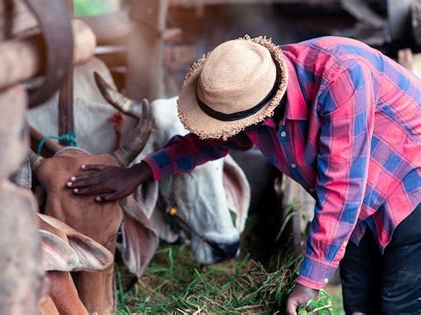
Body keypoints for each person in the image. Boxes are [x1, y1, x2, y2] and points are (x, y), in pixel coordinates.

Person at [66, 35, 421, 314]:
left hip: (409, 189)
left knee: (397, 305)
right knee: (359, 303)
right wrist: (141, 172)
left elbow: (342, 190)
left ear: (261, 112)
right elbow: (203, 144)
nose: (224, 133)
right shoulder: (249, 89)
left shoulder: (342, 77)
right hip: (359, 210)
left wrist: (311, 280)